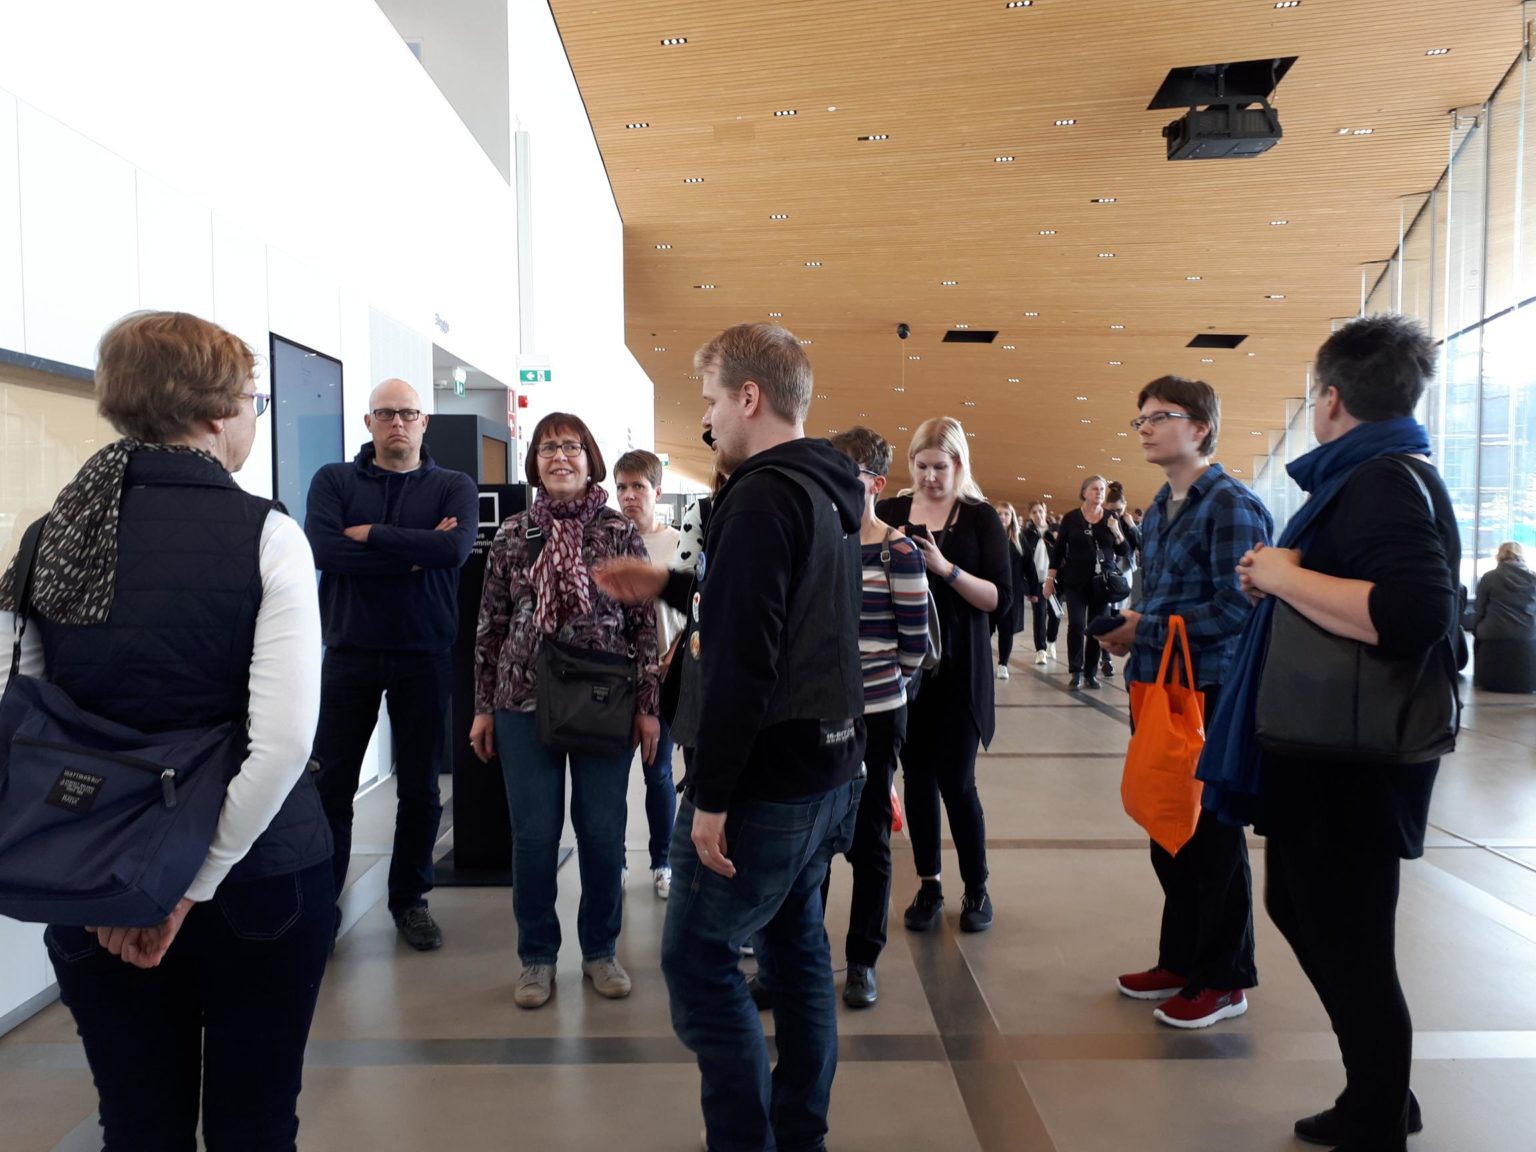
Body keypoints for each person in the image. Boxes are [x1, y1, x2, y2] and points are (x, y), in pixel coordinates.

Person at [0, 311, 333, 1148]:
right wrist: (187, 884)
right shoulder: (267, 534)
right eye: (253, 398)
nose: (253, 415)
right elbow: (283, 743)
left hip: (96, 874)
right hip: (258, 872)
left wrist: (142, 885)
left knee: (138, 1124)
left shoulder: (52, 538)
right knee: (256, 1124)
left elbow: (23, 718)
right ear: (218, 412)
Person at [1202, 313, 1459, 1151]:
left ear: (1333, 398)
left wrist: (1284, 576)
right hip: (1335, 747)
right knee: (1307, 909)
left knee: (1348, 935)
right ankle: (1382, 1090)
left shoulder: (1380, 480)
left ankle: (1378, 1108)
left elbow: (1415, 613)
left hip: (1353, 754)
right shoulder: (1375, 474)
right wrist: (1282, 581)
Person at [654, 322, 866, 1152]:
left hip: (764, 783)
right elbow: (796, 613)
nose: (707, 420)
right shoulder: (831, 488)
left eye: (711, 401)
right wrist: (671, 583)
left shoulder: (762, 495)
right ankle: (799, 1131)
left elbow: (744, 663)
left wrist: (711, 798)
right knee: (796, 946)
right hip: (828, 766)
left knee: (699, 964)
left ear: (750, 397)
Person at [1096, 375, 1273, 1029]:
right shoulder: (1157, 508)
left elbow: (1240, 607)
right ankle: (1182, 958)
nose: (1144, 427)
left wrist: (1146, 628)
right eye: (1140, 418)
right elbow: (1159, 597)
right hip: (1158, 685)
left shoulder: (1231, 505)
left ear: (1200, 427)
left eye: (1159, 416)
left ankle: (1224, 978)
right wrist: (1130, 629)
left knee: (1211, 837)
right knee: (1168, 826)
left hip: (1211, 690)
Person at [470, 412, 660, 1008]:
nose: (560, 457)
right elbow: (491, 624)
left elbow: (643, 625)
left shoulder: (617, 530)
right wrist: (483, 707)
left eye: (571, 447)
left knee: (602, 833)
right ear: (534, 462)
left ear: (590, 457)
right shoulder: (514, 532)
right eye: (548, 448)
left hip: (604, 700)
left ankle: (600, 950)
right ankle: (537, 957)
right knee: (533, 837)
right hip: (522, 699)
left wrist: (649, 706)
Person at [306, 378, 478, 952]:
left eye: (407, 413)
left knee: (421, 789)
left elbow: (452, 551)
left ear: (424, 421)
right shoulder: (334, 481)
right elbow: (324, 550)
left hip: (424, 654)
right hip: (349, 653)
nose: (397, 422)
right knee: (331, 787)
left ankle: (410, 901)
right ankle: (321, 908)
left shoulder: (453, 486)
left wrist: (372, 536)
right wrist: (412, 553)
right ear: (369, 422)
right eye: (385, 413)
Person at [877, 416, 1011, 934]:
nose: (930, 477)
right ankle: (929, 883)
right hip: (905, 671)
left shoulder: (979, 518)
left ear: (959, 465)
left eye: (940, 467)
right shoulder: (891, 512)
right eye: (921, 466)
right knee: (917, 780)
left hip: (960, 669)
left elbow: (998, 598)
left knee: (957, 781)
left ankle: (977, 887)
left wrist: (945, 569)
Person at [824, 426, 929, 1008]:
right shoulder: (820, 543)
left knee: (868, 841)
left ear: (876, 484)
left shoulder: (899, 552)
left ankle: (862, 959)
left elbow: (914, 646)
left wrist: (878, 685)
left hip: (878, 714)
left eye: (847, 475)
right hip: (820, 715)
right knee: (811, 841)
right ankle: (800, 959)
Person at [613, 449, 688, 897]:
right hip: (616, 678)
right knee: (612, 776)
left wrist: (672, 656)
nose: (629, 496)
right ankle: (617, 861)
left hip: (663, 675)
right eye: (622, 487)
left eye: (638, 487)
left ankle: (663, 862)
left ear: (657, 492)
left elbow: (693, 610)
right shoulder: (608, 541)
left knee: (658, 773)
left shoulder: (679, 543)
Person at [1044, 475, 1129, 690]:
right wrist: (1050, 579)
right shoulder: (1071, 518)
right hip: (1075, 582)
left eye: (1102, 489)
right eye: (1094, 489)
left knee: (1095, 628)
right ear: (1084, 493)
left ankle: (1090, 673)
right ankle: (1076, 671)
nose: (1099, 492)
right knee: (1077, 624)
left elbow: (1123, 550)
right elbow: (1058, 551)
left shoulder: (1111, 517)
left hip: (1102, 583)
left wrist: (1116, 531)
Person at [1470, 541, 1536, 693]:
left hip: (1493, 632)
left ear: (1500, 555)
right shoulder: (1534, 578)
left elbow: (1479, 608)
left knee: (1480, 630)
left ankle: (1482, 677)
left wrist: (1477, 628)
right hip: (1528, 634)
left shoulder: (1489, 577)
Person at [1098, 480, 1140, 680]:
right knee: (1105, 613)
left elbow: (1139, 546)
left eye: (1119, 510)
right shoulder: (1101, 521)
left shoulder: (1127, 523)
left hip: (1125, 574)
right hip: (1107, 573)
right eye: (1111, 509)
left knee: (1119, 614)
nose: (1115, 513)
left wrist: (1131, 526)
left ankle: (1113, 651)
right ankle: (1105, 658)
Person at [993, 500, 1030, 679]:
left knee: (1006, 630)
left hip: (1012, 592)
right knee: (985, 629)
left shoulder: (1019, 540)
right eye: (999, 513)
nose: (1002, 517)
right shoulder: (988, 536)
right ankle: (983, 661)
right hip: (989, 590)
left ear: (1012, 517)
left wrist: (1033, 590)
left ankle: (1003, 664)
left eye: (1006, 514)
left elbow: (1029, 565)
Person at [1021, 501, 1057, 664]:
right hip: (1037, 581)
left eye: (1040, 511)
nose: (1038, 515)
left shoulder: (1055, 531)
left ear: (1045, 511)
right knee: (1040, 615)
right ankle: (1040, 650)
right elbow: (1024, 560)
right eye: (1034, 512)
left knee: (1055, 614)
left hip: (1054, 581)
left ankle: (1051, 642)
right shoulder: (1026, 534)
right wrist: (1028, 587)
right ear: (1030, 515)